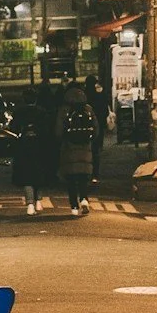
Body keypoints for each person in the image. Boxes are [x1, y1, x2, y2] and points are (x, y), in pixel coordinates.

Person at [12, 86, 58, 214]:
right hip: (40, 146)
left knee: (27, 175)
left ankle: (30, 204)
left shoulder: (19, 112)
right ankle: (38, 201)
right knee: (39, 173)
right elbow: (48, 131)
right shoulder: (42, 112)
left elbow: (13, 129)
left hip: (24, 147)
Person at [57, 82, 98, 215]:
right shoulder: (88, 109)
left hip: (69, 148)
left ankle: (74, 206)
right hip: (85, 147)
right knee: (83, 176)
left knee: (71, 178)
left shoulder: (64, 110)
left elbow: (58, 131)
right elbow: (96, 129)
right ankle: (84, 198)